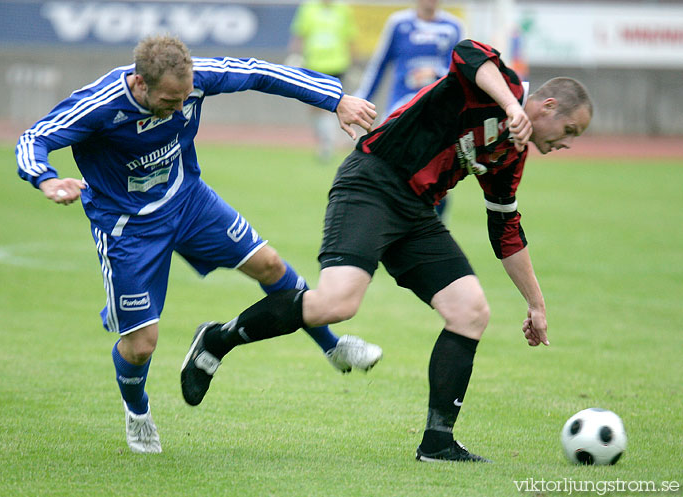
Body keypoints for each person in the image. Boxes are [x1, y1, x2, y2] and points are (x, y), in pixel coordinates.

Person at [180, 39, 593, 462]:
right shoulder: (497, 85)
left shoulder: (512, 152)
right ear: (546, 107)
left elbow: (505, 226)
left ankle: (438, 442)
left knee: (470, 311)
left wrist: (536, 305)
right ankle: (218, 339)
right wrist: (510, 105)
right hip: (372, 182)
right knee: (338, 303)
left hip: (416, 211)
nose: (567, 143)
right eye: (569, 131)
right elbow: (468, 52)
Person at [15, 34, 381, 454]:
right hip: (127, 228)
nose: (179, 108)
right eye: (170, 101)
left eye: (185, 97)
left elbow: (261, 73)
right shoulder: (99, 104)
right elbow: (33, 139)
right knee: (141, 345)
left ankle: (332, 347)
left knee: (270, 265)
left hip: (188, 202)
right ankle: (138, 413)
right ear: (139, 84)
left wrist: (333, 98)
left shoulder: (196, 79)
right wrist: (45, 178)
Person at [354, 0, 465, 218]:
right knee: (393, 173)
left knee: (437, 176)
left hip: (438, 112)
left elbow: (461, 70)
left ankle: (434, 228)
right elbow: (379, 64)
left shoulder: (454, 27)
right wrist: (360, 101)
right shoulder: (398, 23)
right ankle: (391, 226)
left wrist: (435, 72)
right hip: (401, 109)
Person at [289, 0, 358, 162]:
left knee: (336, 104)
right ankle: (325, 140)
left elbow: (350, 37)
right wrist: (295, 55)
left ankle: (329, 143)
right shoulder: (308, 8)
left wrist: (355, 63)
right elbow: (300, 34)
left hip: (337, 64)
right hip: (314, 64)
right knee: (315, 107)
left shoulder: (343, 10)